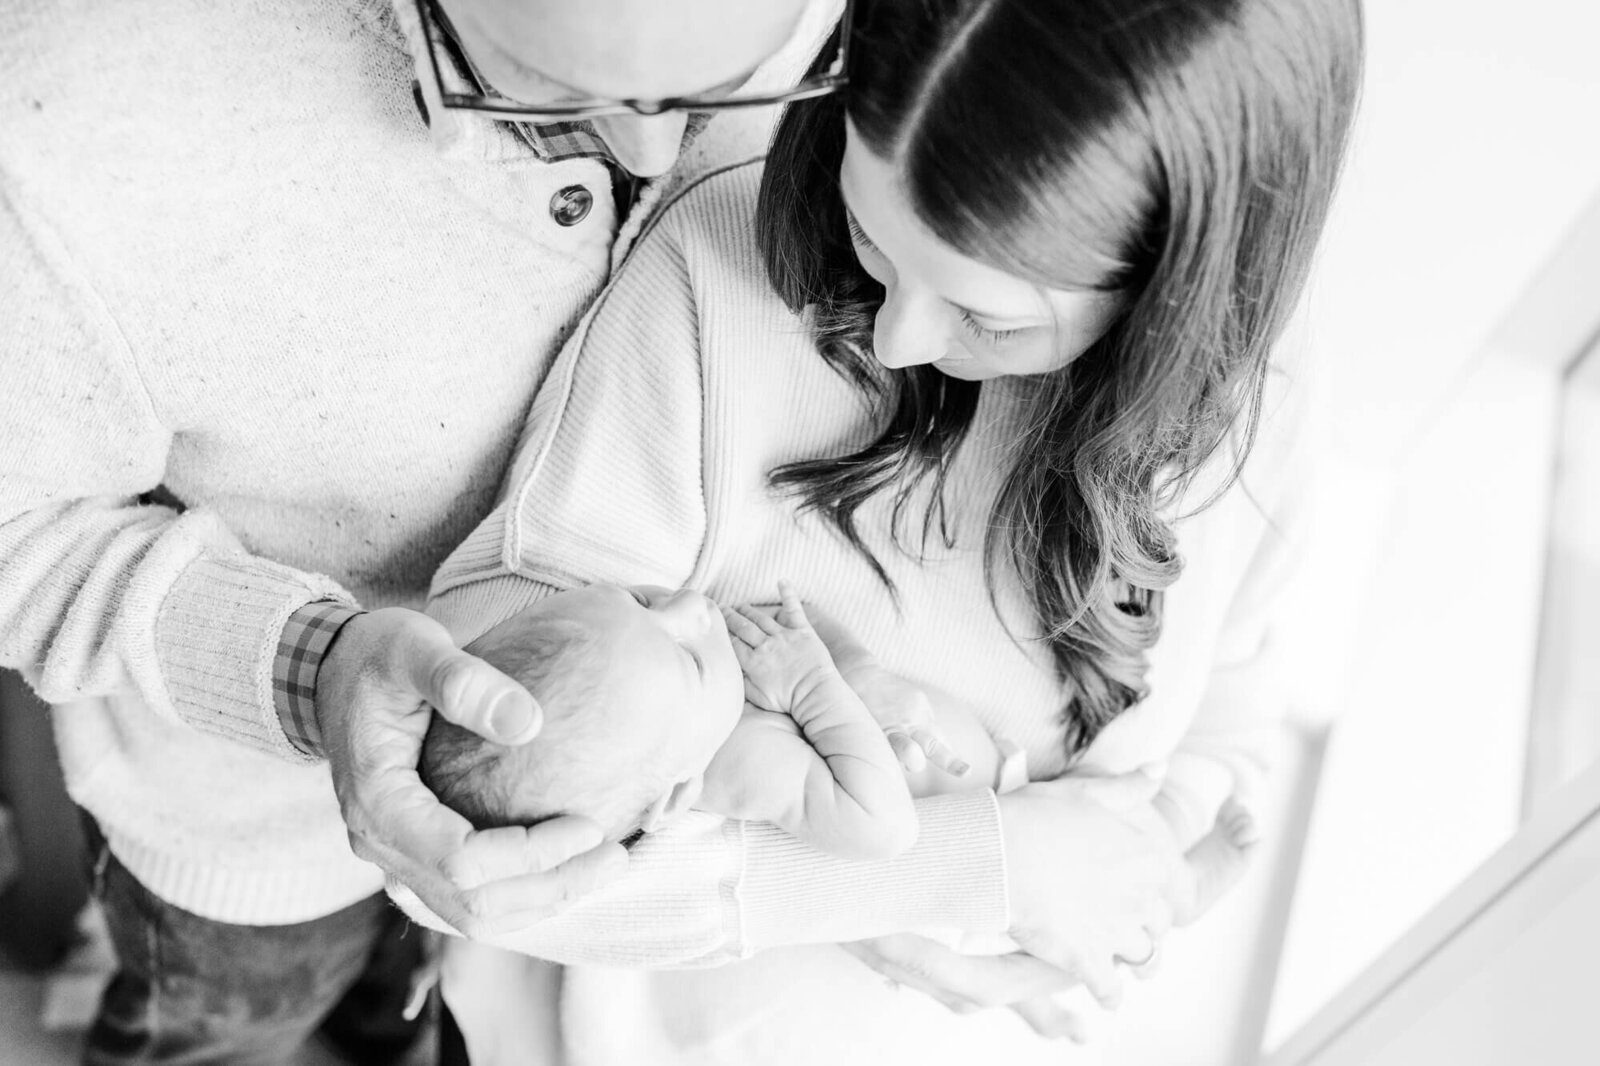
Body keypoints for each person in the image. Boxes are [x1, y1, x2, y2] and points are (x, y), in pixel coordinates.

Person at [414, 0, 1362, 1060]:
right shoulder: (711, 291)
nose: (896, 332)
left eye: (987, 317)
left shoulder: (1256, 396)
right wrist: (965, 877)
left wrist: (1125, 882)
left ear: (1171, 301)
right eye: (870, 234)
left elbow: (1230, 695)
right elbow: (473, 836)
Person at [0, 0, 838, 1060]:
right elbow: (14, 527)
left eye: (743, 79)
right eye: (546, 92)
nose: (653, 152)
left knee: (410, 1002)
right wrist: (310, 664)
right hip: (243, 844)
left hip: (562, 831)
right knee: (224, 1029)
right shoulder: (69, 122)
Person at [419, 580, 931, 859]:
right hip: (977, 801)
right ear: (677, 795)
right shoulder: (741, 759)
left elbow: (796, 624)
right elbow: (885, 828)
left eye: (639, 600)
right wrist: (814, 686)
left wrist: (858, 673)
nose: (690, 603)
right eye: (689, 656)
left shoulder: (694, 698)